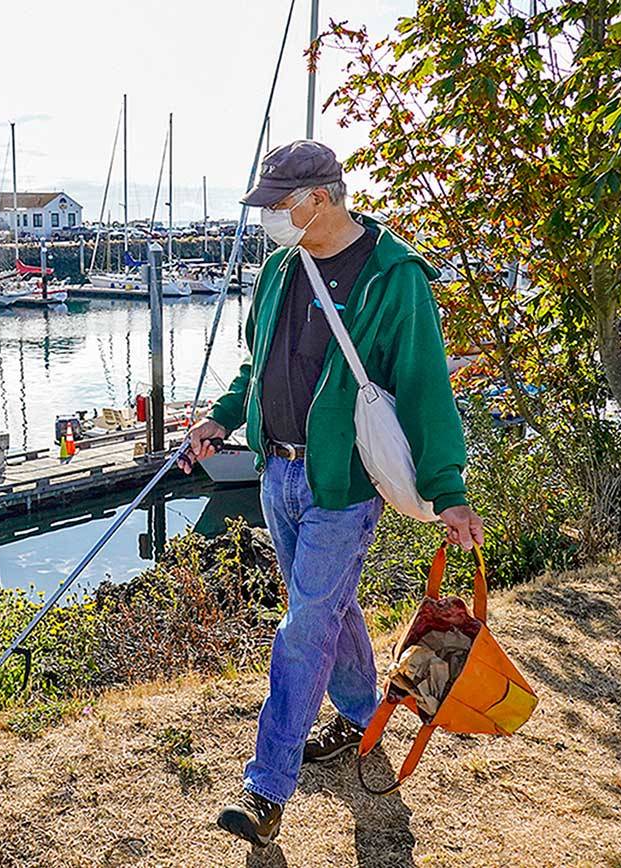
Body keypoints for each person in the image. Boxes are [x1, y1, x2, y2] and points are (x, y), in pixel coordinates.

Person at [179, 140, 484, 847]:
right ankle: (357, 716)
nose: (267, 218)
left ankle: (266, 788)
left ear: (319, 198)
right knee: (329, 606)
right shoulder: (281, 268)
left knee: (305, 626)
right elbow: (257, 365)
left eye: (277, 205)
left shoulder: (394, 277)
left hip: (341, 484)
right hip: (277, 474)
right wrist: (222, 418)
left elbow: (425, 386)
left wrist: (447, 489)